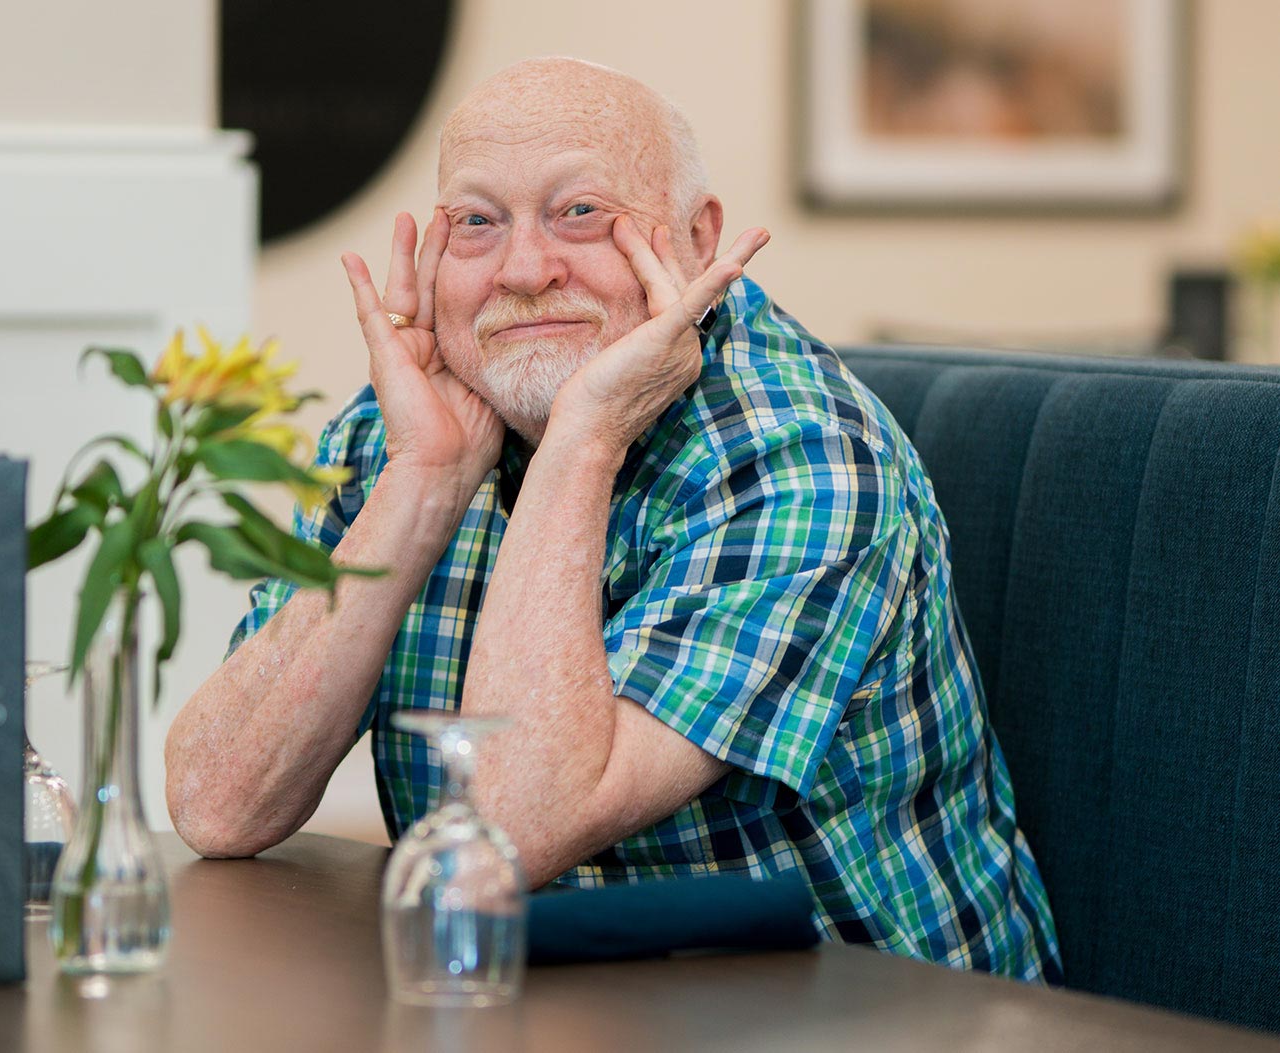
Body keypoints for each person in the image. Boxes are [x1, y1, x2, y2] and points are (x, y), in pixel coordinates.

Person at [165, 57, 1061, 983]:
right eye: (476, 222)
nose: (522, 269)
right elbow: (218, 802)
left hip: (867, 1017)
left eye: (580, 212)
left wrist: (582, 440)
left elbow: (505, 831)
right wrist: (425, 480)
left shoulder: (802, 456)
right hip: (559, 995)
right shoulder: (407, 430)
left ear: (696, 237)